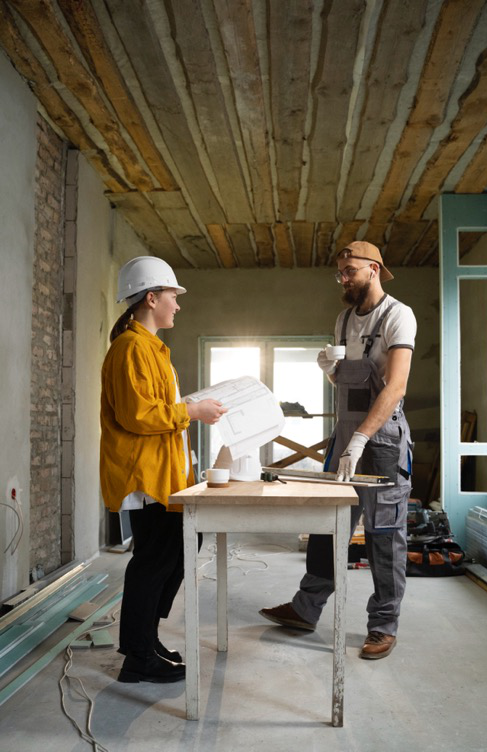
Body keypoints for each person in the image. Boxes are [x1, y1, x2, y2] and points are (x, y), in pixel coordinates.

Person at [260, 241, 416, 660]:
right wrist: (331, 372)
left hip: (381, 441)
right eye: (340, 273)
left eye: (350, 271)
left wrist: (363, 438)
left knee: (384, 536)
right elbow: (349, 388)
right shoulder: (344, 318)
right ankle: (305, 608)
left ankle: (383, 626)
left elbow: (395, 386)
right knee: (328, 526)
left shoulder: (398, 316)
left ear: (374, 268)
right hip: (346, 436)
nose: (343, 279)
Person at [100, 256, 227, 683]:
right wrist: (191, 410)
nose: (177, 304)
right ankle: (137, 657)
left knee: (178, 550)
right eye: (173, 296)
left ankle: (146, 640)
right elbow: (137, 414)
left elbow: (156, 407)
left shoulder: (152, 349)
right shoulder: (131, 347)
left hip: (164, 473)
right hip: (146, 476)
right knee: (154, 560)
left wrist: (189, 408)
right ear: (151, 298)